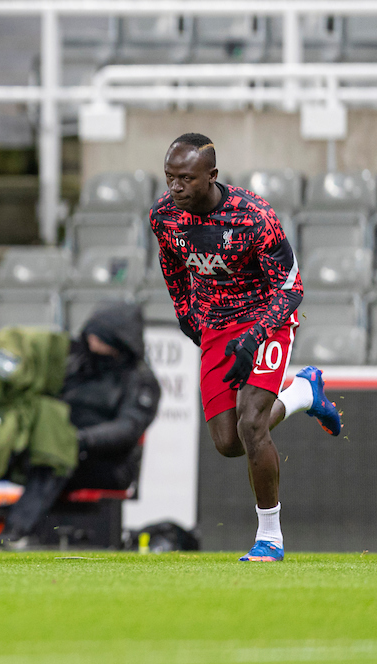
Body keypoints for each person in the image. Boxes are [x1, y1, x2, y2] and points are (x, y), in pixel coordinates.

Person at [151, 132, 341, 562]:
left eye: (185, 178)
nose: (175, 188)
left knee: (251, 424)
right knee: (228, 442)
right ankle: (304, 393)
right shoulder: (164, 216)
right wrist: (187, 316)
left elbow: (291, 289)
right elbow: (172, 266)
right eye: (169, 177)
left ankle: (269, 537)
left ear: (212, 175)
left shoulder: (254, 216)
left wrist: (253, 338)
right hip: (216, 326)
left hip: (265, 319)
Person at [0, 304, 160, 549]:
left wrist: (78, 440)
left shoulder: (139, 379)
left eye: (100, 336)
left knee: (54, 458)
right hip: (62, 447)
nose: (91, 339)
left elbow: (128, 429)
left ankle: (16, 532)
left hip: (108, 462)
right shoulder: (77, 362)